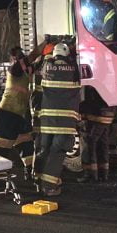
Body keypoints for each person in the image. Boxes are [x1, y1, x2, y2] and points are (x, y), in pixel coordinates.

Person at [33, 42, 81, 196]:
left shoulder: (46, 66)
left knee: (44, 149)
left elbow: (38, 92)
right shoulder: (74, 68)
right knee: (58, 152)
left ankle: (38, 179)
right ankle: (49, 187)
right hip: (65, 121)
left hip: (47, 119)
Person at [0, 46, 37, 177]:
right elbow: (33, 57)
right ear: (13, 58)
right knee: (2, 148)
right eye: (18, 55)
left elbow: (37, 64)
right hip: (7, 114)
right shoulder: (14, 69)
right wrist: (45, 42)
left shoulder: (24, 71)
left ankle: (30, 171)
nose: (21, 56)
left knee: (26, 144)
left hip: (18, 116)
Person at [77, 86, 115, 183]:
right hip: (108, 114)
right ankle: (103, 174)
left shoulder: (92, 81)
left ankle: (90, 175)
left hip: (95, 115)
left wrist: (80, 110)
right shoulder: (107, 78)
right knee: (103, 145)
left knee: (89, 145)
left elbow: (89, 99)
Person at [29, 40, 56, 175]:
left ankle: (35, 173)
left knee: (39, 145)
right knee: (43, 145)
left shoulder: (39, 65)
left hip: (37, 110)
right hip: (44, 110)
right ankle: (39, 173)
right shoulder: (51, 66)